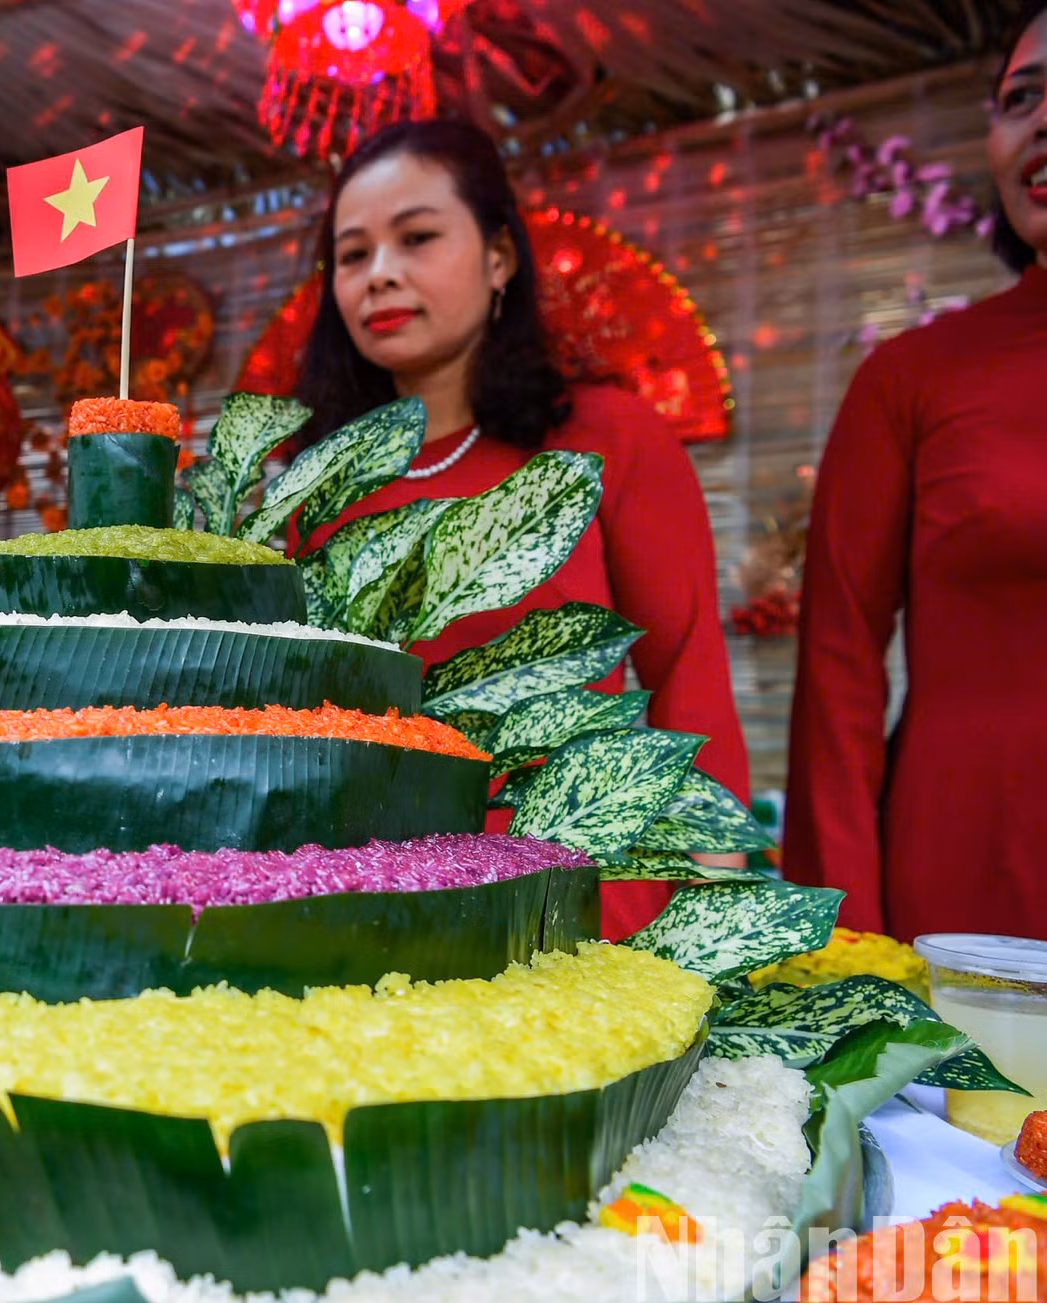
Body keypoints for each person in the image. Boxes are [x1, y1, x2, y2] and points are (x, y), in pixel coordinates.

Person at [291, 119, 750, 939]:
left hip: (580, 913)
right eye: (352, 255)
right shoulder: (313, 483)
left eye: (417, 237)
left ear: (500, 257)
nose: (379, 276)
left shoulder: (607, 439)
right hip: (361, 915)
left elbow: (688, 677)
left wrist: (713, 928)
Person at [784, 0, 1047, 942]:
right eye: (1023, 97)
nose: (1044, 119)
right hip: (966, 903)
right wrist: (846, 950)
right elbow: (837, 677)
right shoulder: (912, 380)